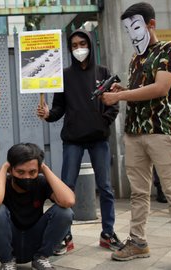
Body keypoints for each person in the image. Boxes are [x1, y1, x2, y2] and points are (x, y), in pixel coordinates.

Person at [101, 2, 171, 269]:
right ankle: (138, 242)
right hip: (134, 132)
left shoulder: (169, 50)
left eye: (135, 27)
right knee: (138, 193)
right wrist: (125, 88)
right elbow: (140, 91)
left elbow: (160, 88)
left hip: (162, 131)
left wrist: (119, 95)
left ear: (150, 24)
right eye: (127, 29)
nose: (131, 34)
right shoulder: (136, 58)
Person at [36, 29, 122, 254]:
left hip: (98, 139)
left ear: (90, 45)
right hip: (72, 140)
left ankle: (108, 233)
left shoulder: (104, 72)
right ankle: (65, 237)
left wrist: (102, 123)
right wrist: (47, 114)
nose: (78, 49)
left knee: (105, 187)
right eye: (73, 45)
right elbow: (58, 109)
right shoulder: (63, 75)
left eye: (82, 43)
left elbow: (113, 104)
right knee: (66, 187)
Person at [0, 143, 74, 270]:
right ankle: (7, 262)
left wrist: (45, 170)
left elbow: (68, 201)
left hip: (34, 242)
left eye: (32, 172)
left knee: (65, 212)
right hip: (7, 244)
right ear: (11, 169)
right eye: (20, 172)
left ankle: (41, 258)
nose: (26, 177)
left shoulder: (41, 182)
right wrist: (4, 168)